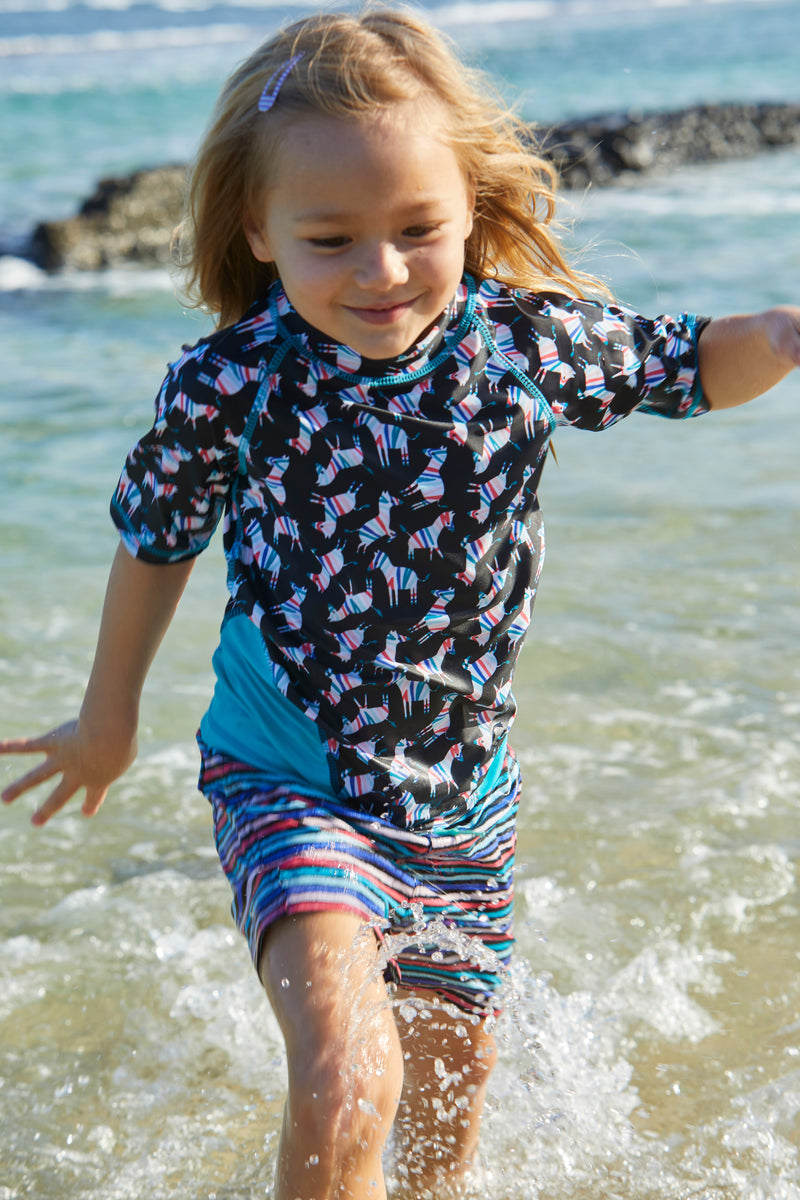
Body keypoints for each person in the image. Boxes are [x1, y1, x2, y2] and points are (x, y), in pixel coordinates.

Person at [2, 8, 799, 1199]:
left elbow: (681, 362)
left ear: (468, 209)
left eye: (416, 229)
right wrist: (107, 716)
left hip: (460, 801)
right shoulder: (232, 381)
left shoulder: (524, 347)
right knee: (345, 1078)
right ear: (257, 233)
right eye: (330, 239)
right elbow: (155, 535)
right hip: (288, 770)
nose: (380, 273)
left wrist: (783, 334)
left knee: (438, 1131)